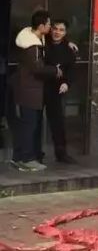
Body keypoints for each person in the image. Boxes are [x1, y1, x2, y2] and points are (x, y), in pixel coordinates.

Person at [10, 10, 61, 172]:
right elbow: (38, 69)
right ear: (41, 26)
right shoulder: (32, 46)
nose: (50, 27)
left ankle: (18, 157)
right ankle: (26, 159)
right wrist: (55, 70)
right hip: (29, 92)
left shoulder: (36, 39)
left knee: (26, 125)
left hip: (28, 90)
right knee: (29, 126)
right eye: (48, 24)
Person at [43, 19, 77, 164]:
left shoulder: (69, 50)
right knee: (35, 121)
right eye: (55, 28)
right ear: (50, 29)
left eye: (61, 30)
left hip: (56, 89)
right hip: (39, 86)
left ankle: (61, 153)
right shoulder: (43, 42)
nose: (57, 32)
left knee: (57, 123)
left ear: (65, 33)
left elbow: (71, 71)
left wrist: (66, 83)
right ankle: (34, 153)